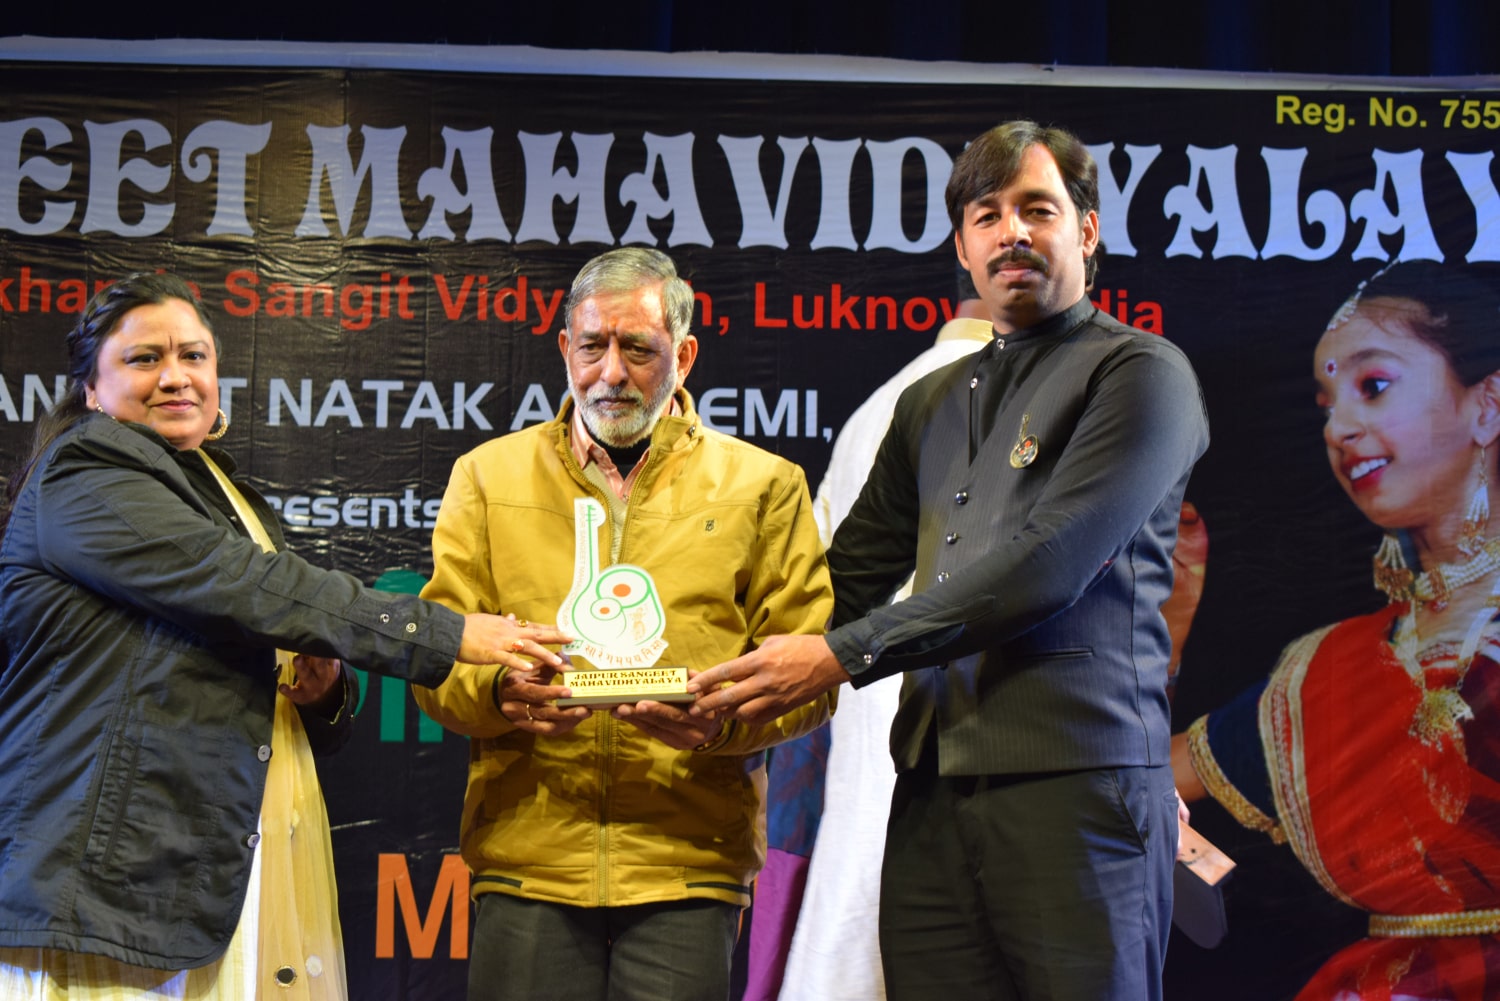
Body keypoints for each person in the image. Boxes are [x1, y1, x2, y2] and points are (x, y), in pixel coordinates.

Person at [690, 120, 1210, 1001]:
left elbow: (1044, 567)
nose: (1012, 233)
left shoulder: (1141, 374)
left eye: (1037, 209)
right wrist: (706, 681)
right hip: (930, 798)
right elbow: (842, 581)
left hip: (1077, 792)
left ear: (1086, 230)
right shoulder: (927, 404)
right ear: (963, 247)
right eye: (987, 215)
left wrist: (839, 655)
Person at [0, 272, 564, 1001]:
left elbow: (245, 643)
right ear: (91, 389)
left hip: (221, 852)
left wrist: (322, 689)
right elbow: (241, 582)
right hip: (110, 882)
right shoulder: (86, 471)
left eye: (194, 356)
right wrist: (446, 633)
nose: (176, 376)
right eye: (144, 359)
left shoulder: (218, 491)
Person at [411, 247, 834, 1001]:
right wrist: (499, 694)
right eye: (592, 346)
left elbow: (810, 679)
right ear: (564, 348)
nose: (611, 372)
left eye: (638, 348)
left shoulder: (765, 486)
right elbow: (435, 659)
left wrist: (719, 726)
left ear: (684, 355)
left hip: (688, 863)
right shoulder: (488, 476)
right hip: (529, 859)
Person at [1172, 261, 1500, 1000]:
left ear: (1488, 404)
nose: (1340, 428)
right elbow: (1134, 786)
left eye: (1373, 385)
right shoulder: (1330, 672)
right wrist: (1168, 631)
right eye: (1326, 406)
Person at [745, 268, 993, 1001]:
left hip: (861, 775)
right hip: (964, 771)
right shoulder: (1012, 402)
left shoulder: (871, 413)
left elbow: (820, 601)